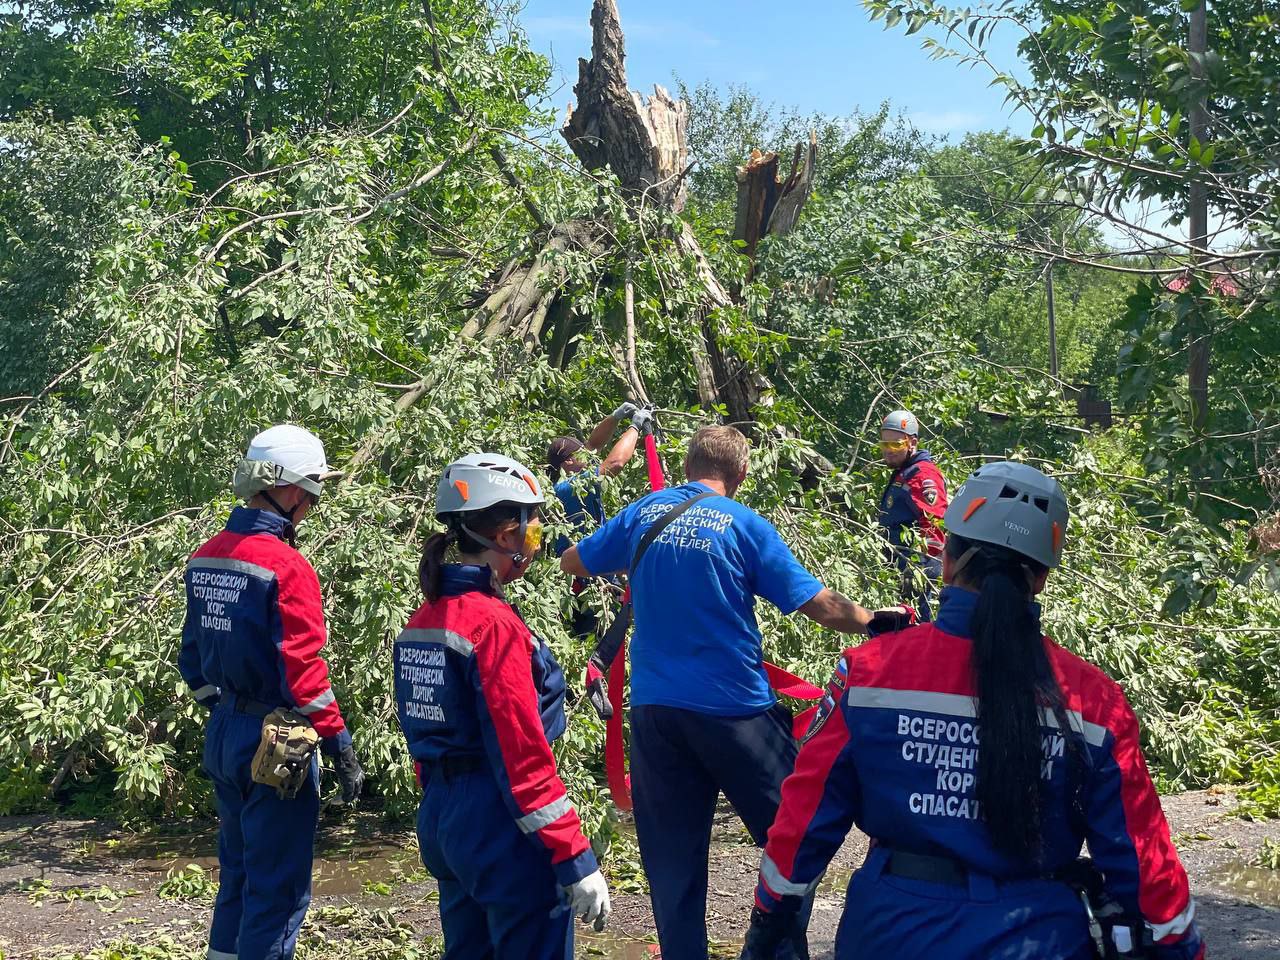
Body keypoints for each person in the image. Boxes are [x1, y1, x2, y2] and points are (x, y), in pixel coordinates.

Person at [742, 461, 1206, 960]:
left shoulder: (868, 673)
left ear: (946, 559)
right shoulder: (1093, 701)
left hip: (892, 933)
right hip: (1040, 939)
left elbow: (806, 818)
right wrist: (1181, 948)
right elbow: (1143, 862)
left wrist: (772, 916)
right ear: (1042, 579)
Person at [560, 425, 881, 960]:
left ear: (685, 466)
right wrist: (876, 622)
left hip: (657, 717)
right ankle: (778, 950)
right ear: (742, 473)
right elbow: (821, 608)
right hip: (736, 715)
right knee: (796, 843)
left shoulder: (642, 514)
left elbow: (574, 561)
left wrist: (625, 561)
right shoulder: (745, 526)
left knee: (671, 867)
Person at [394, 453, 610, 959]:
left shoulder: (424, 619)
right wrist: (575, 857)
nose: (535, 542)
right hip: (499, 823)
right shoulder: (492, 626)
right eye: (531, 529)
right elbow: (522, 759)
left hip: (446, 820)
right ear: (505, 535)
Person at [179, 424, 364, 960]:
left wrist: (227, 713)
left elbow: (192, 660)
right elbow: (304, 672)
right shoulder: (288, 567)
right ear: (289, 490)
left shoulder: (207, 555)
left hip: (225, 733)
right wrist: (339, 743)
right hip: (276, 741)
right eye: (310, 492)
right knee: (278, 888)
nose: (310, 504)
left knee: (236, 874)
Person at [548, 401, 654, 717]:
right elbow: (615, 463)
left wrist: (617, 416)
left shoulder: (563, 483)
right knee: (601, 631)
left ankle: (588, 687)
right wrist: (635, 426)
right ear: (569, 462)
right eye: (580, 456)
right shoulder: (569, 487)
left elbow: (595, 445)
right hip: (584, 583)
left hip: (587, 578)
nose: (589, 455)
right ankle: (590, 687)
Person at [876, 409, 947, 620]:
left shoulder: (923, 475)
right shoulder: (904, 470)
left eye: (895, 444)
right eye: (884, 444)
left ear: (912, 442)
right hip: (897, 566)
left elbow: (934, 527)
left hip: (916, 573)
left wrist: (922, 573)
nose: (888, 450)